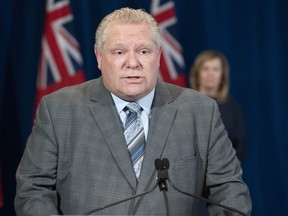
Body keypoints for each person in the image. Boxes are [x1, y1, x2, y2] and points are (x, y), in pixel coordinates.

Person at [15, 8, 252, 215]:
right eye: (119, 52)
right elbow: (33, 189)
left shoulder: (200, 111)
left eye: (144, 51)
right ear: (99, 57)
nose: (132, 62)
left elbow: (229, 189)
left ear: (158, 56)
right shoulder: (59, 109)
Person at [190, 50, 248, 163]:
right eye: (205, 68)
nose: (210, 73)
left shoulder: (232, 107)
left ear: (222, 75)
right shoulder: (184, 104)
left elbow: (240, 144)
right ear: (197, 74)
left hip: (222, 172)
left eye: (215, 69)